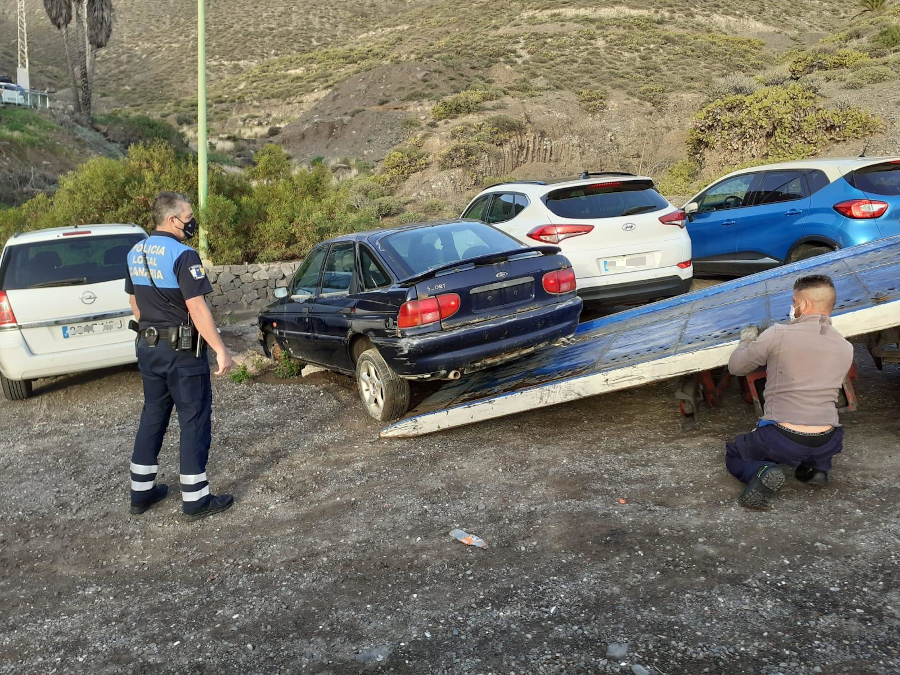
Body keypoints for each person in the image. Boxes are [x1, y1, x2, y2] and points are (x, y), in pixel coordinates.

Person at [125, 191, 235, 520]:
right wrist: (220, 349)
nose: (192, 222)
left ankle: (141, 492)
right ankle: (196, 499)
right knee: (193, 418)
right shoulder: (183, 255)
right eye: (188, 216)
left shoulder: (135, 252)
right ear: (173, 220)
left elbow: (134, 303)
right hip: (182, 350)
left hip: (148, 346)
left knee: (153, 415)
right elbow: (197, 308)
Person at [726, 274, 854, 509]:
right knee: (815, 435)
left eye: (794, 301)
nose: (792, 307)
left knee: (735, 452)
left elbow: (736, 367)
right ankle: (817, 470)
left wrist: (746, 341)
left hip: (782, 438)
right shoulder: (846, 347)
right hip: (829, 440)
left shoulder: (778, 334)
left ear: (803, 305)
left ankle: (763, 471)